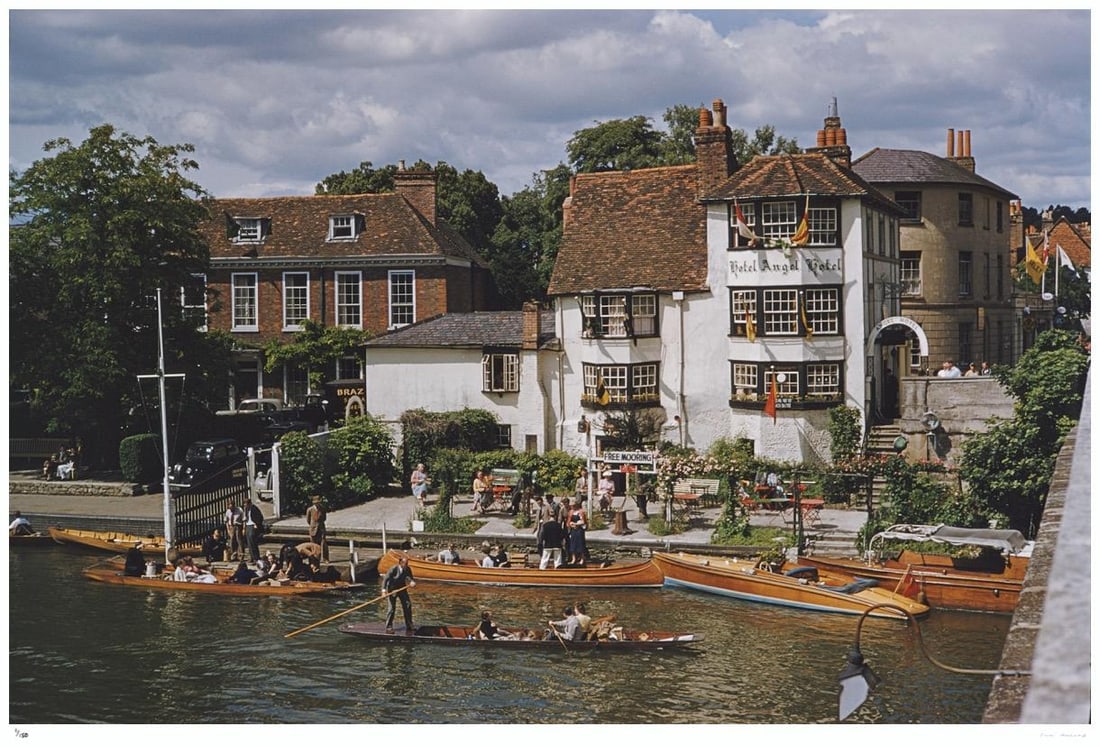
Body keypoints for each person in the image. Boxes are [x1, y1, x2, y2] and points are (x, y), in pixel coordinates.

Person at [382, 554, 416, 634]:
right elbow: (385, 579)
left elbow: (410, 577)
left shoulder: (408, 569)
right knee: (392, 608)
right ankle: (389, 626)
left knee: (407, 604)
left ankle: (409, 624)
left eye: (407, 563)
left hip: (402, 588)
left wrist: (411, 581)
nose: (406, 565)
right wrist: (384, 591)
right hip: (392, 589)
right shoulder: (393, 569)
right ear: (400, 563)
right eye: (405, 563)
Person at [304, 495, 328, 561]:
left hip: (321, 528)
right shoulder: (310, 509)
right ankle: (315, 557)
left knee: (323, 543)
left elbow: (324, 518)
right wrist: (312, 525)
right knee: (313, 544)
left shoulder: (322, 508)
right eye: (315, 503)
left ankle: (325, 558)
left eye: (318, 503)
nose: (317, 504)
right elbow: (308, 520)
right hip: (313, 528)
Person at [566, 496, 588, 566]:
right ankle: (574, 558)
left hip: (579, 530)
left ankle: (582, 558)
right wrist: (571, 524)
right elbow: (568, 522)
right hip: (573, 530)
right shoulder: (570, 512)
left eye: (573, 506)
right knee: (573, 544)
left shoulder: (581, 512)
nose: (572, 507)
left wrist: (576, 524)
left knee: (580, 544)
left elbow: (583, 521)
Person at [243, 498, 264, 562]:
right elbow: (245, 518)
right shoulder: (245, 509)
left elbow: (260, 517)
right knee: (249, 542)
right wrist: (244, 527)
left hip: (253, 525)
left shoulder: (254, 508)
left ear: (249, 503)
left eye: (246, 504)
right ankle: (252, 557)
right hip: (248, 525)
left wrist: (256, 524)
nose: (245, 505)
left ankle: (256, 557)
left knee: (252, 541)